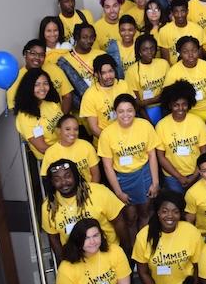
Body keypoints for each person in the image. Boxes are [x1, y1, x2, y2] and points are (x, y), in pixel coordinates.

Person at [98, 94, 161, 245]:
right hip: (123, 179)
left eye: (129, 110)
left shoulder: (145, 126)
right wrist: (118, 192)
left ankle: (144, 244)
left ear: (135, 111)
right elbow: (107, 166)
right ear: (115, 112)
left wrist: (156, 182)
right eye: (121, 111)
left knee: (145, 211)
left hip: (144, 174)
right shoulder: (107, 134)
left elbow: (152, 155)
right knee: (130, 217)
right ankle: (134, 248)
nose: (125, 115)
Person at [134, 190, 204, 284]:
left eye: (175, 211)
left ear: (181, 214)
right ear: (158, 212)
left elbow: (197, 267)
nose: (170, 216)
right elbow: (142, 272)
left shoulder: (191, 232)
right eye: (165, 211)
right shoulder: (144, 236)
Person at [41, 160, 127, 258]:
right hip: (77, 259)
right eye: (57, 179)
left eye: (67, 176)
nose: (63, 182)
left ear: (76, 176)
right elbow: (54, 238)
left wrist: (126, 250)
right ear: (52, 182)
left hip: (108, 252)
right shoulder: (48, 207)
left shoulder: (99, 192)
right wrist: (62, 261)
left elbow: (119, 221)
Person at [157, 80, 206, 194]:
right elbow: (161, 157)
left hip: (197, 173)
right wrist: (179, 177)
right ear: (170, 105)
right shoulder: (161, 126)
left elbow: (204, 154)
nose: (181, 108)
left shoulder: (198, 122)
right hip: (172, 177)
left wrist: (195, 175)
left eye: (184, 104)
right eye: (176, 105)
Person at [165, 36, 206, 130]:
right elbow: (169, 101)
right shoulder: (173, 72)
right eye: (185, 52)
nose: (190, 55)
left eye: (194, 50)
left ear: (199, 50)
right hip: (185, 114)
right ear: (180, 53)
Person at [8, 39, 71, 112]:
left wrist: (63, 120)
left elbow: (67, 96)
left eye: (41, 55)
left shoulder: (54, 68)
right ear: (25, 54)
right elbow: (15, 109)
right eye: (33, 53)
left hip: (58, 117)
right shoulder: (15, 78)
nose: (37, 57)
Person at [80, 54, 130, 138]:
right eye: (104, 73)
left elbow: (132, 111)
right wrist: (112, 141)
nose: (109, 76)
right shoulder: (89, 95)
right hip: (106, 142)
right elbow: (94, 128)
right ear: (96, 74)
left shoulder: (123, 85)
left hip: (128, 136)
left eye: (111, 71)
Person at [40, 114, 100, 183]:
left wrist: (91, 191)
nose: (72, 133)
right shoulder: (50, 153)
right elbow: (48, 179)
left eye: (76, 129)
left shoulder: (86, 146)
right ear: (59, 130)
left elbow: (96, 175)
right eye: (67, 129)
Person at [125, 34, 170, 120]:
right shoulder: (132, 71)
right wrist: (148, 122)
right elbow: (137, 103)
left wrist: (145, 102)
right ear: (139, 51)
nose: (149, 52)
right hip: (145, 111)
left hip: (165, 106)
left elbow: (168, 93)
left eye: (152, 48)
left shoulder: (164, 64)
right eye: (145, 49)